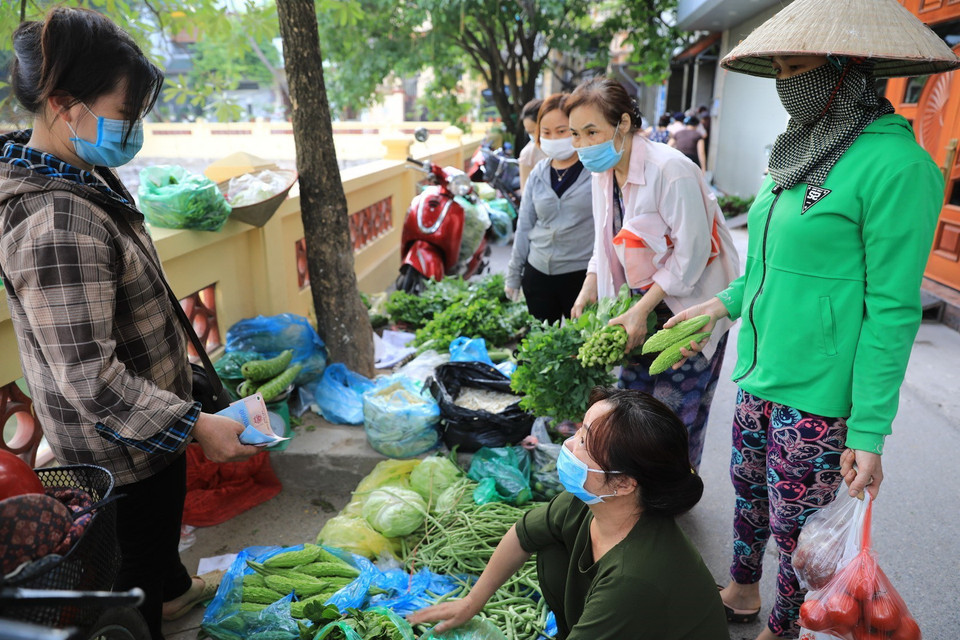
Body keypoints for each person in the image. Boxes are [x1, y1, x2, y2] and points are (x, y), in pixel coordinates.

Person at [662, 0, 960, 637]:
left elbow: (892, 310)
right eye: (781, 69)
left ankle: (784, 625)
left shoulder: (898, 166)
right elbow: (766, 269)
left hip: (821, 395)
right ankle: (743, 589)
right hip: (760, 371)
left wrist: (869, 431)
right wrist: (716, 307)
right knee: (748, 496)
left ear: (846, 69)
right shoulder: (795, 152)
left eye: (801, 67)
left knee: (800, 529)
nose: (787, 83)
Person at [0, 8, 259, 639]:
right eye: (125, 112)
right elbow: (90, 379)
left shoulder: (80, 173)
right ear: (65, 104)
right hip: (120, 447)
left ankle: (170, 592)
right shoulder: (57, 223)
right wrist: (194, 426)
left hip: (146, 428)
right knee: (133, 565)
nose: (134, 129)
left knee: (154, 545)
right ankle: (151, 611)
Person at [408, 387, 729, 640]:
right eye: (580, 431)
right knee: (549, 544)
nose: (569, 444)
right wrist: (471, 602)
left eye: (585, 441)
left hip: (632, 606)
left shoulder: (634, 580)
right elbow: (522, 535)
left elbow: (627, 587)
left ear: (623, 483)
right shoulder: (591, 502)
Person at [565, 77, 739, 471]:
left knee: (672, 419)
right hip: (636, 310)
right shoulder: (603, 174)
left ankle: (673, 494)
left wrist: (641, 310)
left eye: (592, 131)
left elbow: (691, 257)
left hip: (686, 309)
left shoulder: (671, 169)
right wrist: (589, 286)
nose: (582, 144)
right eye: (575, 134)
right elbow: (604, 239)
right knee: (632, 413)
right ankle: (638, 491)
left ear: (623, 124)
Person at [504, 93, 594, 323]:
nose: (553, 137)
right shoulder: (538, 173)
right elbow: (524, 226)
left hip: (581, 277)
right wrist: (514, 275)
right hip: (538, 273)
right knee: (541, 350)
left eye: (562, 131)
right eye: (546, 132)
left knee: (581, 352)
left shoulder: (595, 171)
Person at [517, 97, 548, 191]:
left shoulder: (569, 148)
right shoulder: (528, 154)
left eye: (535, 131)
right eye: (529, 132)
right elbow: (525, 194)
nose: (534, 136)